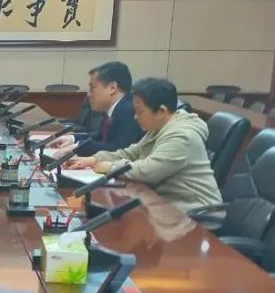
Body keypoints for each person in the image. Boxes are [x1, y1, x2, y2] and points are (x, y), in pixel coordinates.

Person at [66, 77, 222, 213]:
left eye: (139, 111)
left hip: (193, 214)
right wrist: (94, 160)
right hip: (165, 206)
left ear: (161, 111)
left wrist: (109, 167)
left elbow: (148, 171)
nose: (135, 117)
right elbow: (130, 153)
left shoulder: (182, 136)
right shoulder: (159, 127)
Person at [52, 62, 142, 157]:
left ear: (112, 88)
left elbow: (119, 149)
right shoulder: (117, 107)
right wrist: (72, 139)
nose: (88, 94)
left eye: (92, 88)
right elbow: (100, 136)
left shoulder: (127, 110)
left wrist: (78, 147)